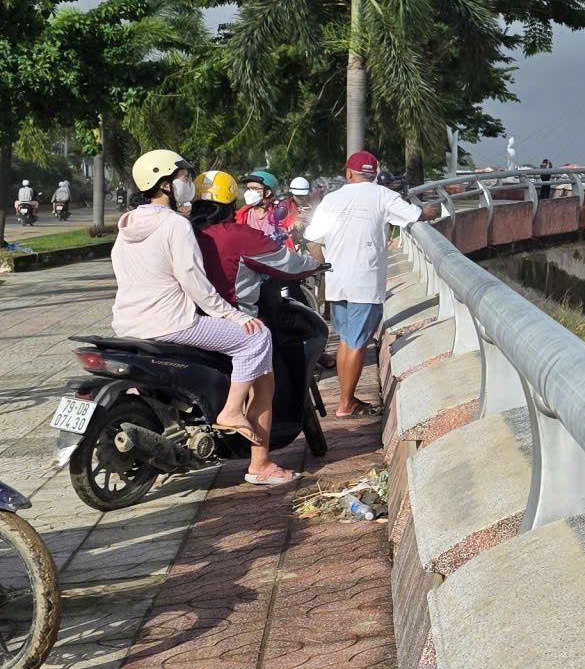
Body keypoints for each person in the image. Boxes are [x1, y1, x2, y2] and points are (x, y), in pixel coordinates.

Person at [112, 150, 289, 486]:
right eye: (181, 177)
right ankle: (233, 410)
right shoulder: (176, 225)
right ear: (164, 184)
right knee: (257, 336)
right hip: (173, 322)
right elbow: (194, 281)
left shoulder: (127, 225)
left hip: (126, 323)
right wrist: (233, 316)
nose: (186, 183)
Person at [302, 149, 421, 418]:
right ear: (374, 174)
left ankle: (348, 399)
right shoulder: (382, 195)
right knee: (356, 343)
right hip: (365, 281)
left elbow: (312, 238)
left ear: (349, 172)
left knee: (346, 340)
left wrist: (323, 266)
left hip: (336, 280)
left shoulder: (331, 200)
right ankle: (346, 404)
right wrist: (433, 210)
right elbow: (414, 215)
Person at [239, 169, 283, 243]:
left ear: (267, 193)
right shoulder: (240, 216)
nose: (249, 192)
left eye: (254, 189)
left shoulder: (280, 215)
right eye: (248, 189)